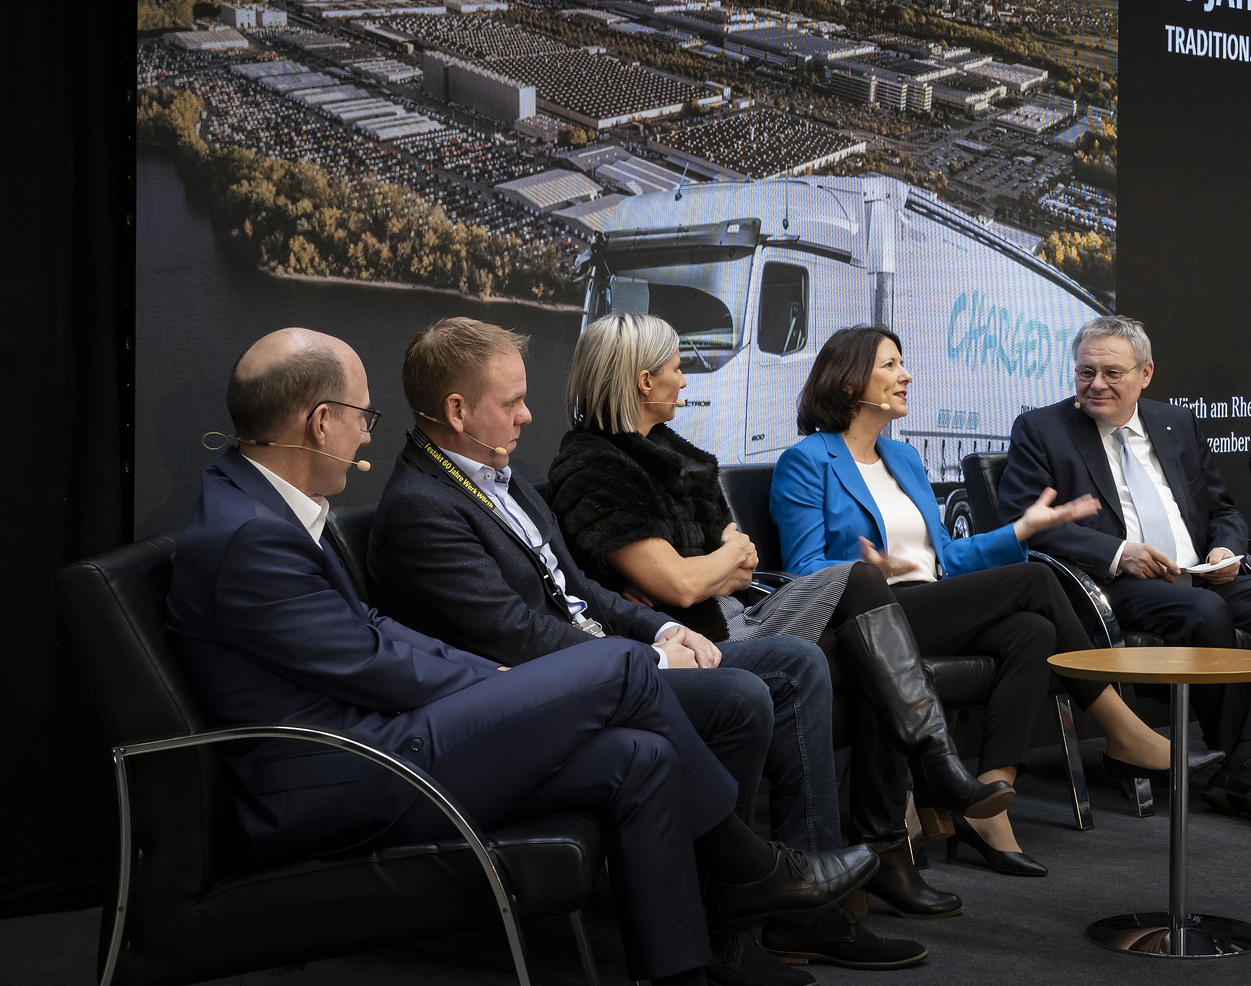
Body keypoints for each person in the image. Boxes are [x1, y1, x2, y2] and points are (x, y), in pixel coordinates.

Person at [167, 328, 874, 986]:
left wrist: (500, 682)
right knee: (622, 669)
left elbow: (371, 631)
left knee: (642, 759)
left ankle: (682, 970)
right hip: (353, 774)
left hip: (380, 742)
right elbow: (369, 661)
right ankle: (751, 867)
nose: (366, 433)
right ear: (321, 423)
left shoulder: (257, 504)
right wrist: (498, 679)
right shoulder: (250, 536)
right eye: (362, 415)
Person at [367, 317, 912, 981]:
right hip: (553, 693)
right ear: (457, 410)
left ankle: (790, 910)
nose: (526, 414)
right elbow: (518, 632)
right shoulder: (421, 509)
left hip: (603, 665)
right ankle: (734, 922)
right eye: (511, 402)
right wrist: (646, 660)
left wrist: (660, 631)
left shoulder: (506, 477)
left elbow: (580, 590)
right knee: (741, 698)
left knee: (796, 665)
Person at [545, 314, 1011, 936]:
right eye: (678, 368)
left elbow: (740, 564)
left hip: (737, 615)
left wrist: (705, 570)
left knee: (871, 644)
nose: (686, 381)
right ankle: (922, 789)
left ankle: (873, 857)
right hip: (693, 645)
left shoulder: (686, 460)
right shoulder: (595, 468)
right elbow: (681, 585)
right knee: (862, 587)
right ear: (642, 380)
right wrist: (708, 570)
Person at [771, 325, 1186, 875]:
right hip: (870, 621)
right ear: (849, 384)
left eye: (903, 363)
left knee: (1031, 632)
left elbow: (946, 557)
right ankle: (1124, 729)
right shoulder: (807, 460)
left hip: (929, 603)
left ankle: (991, 798)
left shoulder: (904, 460)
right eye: (890, 365)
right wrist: (859, 567)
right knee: (1037, 583)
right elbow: (802, 570)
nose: (907, 375)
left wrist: (1021, 531)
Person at [998, 314, 1251, 823]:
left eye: (1112, 373)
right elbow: (1028, 523)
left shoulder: (1174, 423)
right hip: (1116, 585)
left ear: (1146, 373)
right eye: (1085, 372)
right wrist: (1119, 552)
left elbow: (1223, 510)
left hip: (1198, 575)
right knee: (1202, 610)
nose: (1097, 384)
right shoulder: (1042, 430)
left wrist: (1226, 551)